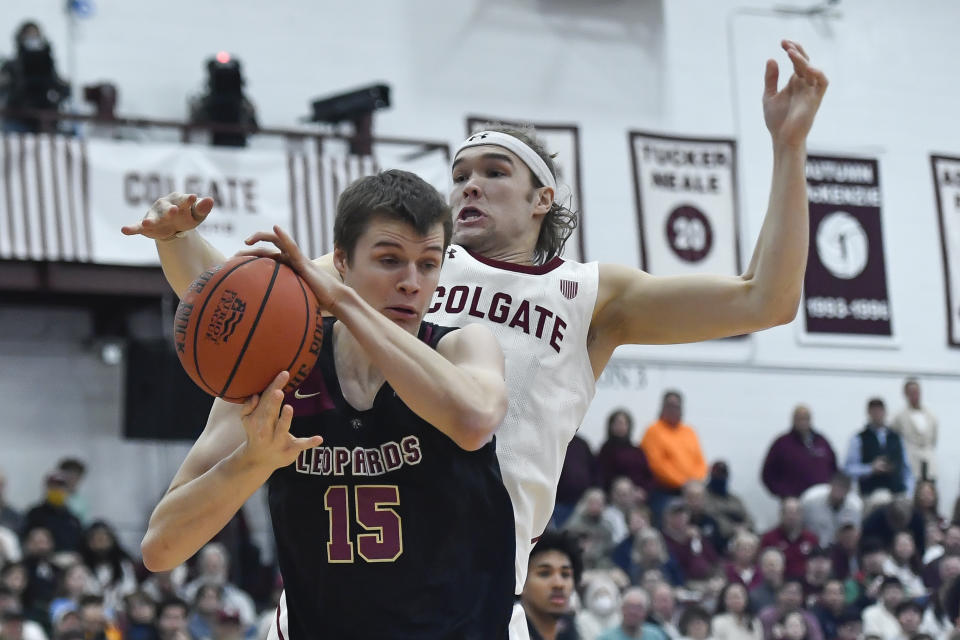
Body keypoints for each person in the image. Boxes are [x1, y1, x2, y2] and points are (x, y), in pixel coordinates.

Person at [124, 40, 828, 640]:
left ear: (542, 197)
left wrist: (789, 150)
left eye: (494, 173)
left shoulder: (591, 294)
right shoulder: (406, 266)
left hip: (473, 577)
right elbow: (246, 311)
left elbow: (765, 300)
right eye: (459, 174)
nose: (469, 186)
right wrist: (179, 240)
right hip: (351, 548)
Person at [139, 171, 516, 639]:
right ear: (341, 259)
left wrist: (338, 298)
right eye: (389, 260)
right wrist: (254, 461)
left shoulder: (463, 347)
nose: (411, 283)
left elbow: (475, 420)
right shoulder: (281, 372)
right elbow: (160, 548)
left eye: (428, 264)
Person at [639, 391, 708, 517]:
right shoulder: (653, 430)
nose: (673, 410)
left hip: (692, 490)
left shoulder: (689, 431)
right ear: (663, 407)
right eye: (669, 406)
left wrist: (695, 482)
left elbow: (700, 461)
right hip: (665, 490)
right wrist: (683, 483)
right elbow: (656, 465)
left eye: (676, 406)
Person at [844, 399, 914, 501]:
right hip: (870, 495)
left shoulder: (897, 437)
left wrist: (909, 492)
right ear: (868, 413)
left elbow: (906, 469)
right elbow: (848, 469)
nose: (877, 414)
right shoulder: (859, 438)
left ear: (885, 412)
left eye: (879, 411)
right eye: (874, 411)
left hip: (896, 494)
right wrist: (870, 469)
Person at [762, 406, 838, 499]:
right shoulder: (782, 443)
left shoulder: (821, 441)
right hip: (794, 504)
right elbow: (768, 475)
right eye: (800, 418)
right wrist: (784, 494)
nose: (803, 422)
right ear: (793, 420)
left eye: (806, 418)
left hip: (822, 500)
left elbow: (834, 469)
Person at [520, 532, 582, 640]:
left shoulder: (571, 629)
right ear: (521, 582)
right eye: (545, 573)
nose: (559, 584)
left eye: (565, 574)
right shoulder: (505, 631)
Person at [890, 379, 938, 482]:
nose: (915, 395)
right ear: (905, 394)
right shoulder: (899, 417)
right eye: (911, 392)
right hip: (910, 460)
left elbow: (934, 439)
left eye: (916, 392)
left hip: (928, 460)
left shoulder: (930, 415)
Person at [760, 498, 820, 580]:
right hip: (778, 585)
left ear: (801, 515)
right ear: (781, 514)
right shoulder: (769, 538)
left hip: (805, 585)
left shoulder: (811, 538)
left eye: (796, 513)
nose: (792, 517)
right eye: (789, 513)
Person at [597, 410, 653, 496]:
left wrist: (643, 491)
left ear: (629, 426)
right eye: (617, 423)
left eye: (623, 423)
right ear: (611, 426)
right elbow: (602, 477)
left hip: (637, 497)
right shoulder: (606, 450)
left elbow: (648, 476)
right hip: (615, 497)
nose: (620, 426)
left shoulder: (637, 451)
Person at [800, 473, 863, 547]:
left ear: (849, 490)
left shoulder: (855, 506)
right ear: (830, 485)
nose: (839, 490)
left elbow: (854, 535)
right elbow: (799, 525)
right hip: (812, 546)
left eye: (843, 487)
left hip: (839, 550)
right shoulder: (811, 499)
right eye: (837, 486)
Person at [704, 461, 755, 544]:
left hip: (743, 537)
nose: (721, 477)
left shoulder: (735, 499)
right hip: (721, 541)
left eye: (723, 474)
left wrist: (744, 527)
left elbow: (749, 519)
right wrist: (733, 529)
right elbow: (714, 519)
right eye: (718, 474)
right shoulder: (705, 497)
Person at [597, 588, 667, 640]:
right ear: (622, 609)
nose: (633, 612)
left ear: (646, 612)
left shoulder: (656, 636)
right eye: (629, 607)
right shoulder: (606, 638)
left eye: (638, 608)